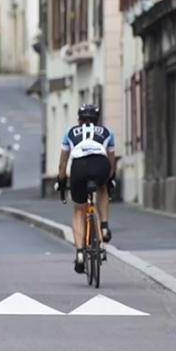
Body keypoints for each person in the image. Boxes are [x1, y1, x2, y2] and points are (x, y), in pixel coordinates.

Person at [56, 104, 116, 274]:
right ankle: (104, 226)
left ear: (79, 119)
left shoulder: (70, 132)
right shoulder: (106, 132)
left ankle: (80, 253)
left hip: (79, 166)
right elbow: (111, 162)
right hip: (100, 163)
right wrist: (110, 178)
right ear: (97, 120)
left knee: (79, 209)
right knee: (103, 187)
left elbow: (63, 163)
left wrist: (61, 181)